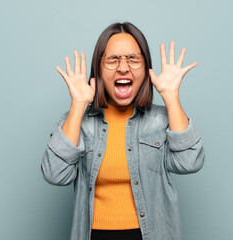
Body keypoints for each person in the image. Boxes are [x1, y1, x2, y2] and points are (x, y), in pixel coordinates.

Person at [41, 22, 205, 240]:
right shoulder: (77, 121)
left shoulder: (161, 120)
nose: (123, 67)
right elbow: (55, 174)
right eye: (113, 60)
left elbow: (190, 161)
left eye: (133, 59)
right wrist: (79, 105)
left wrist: (171, 96)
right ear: (98, 69)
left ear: (146, 68)